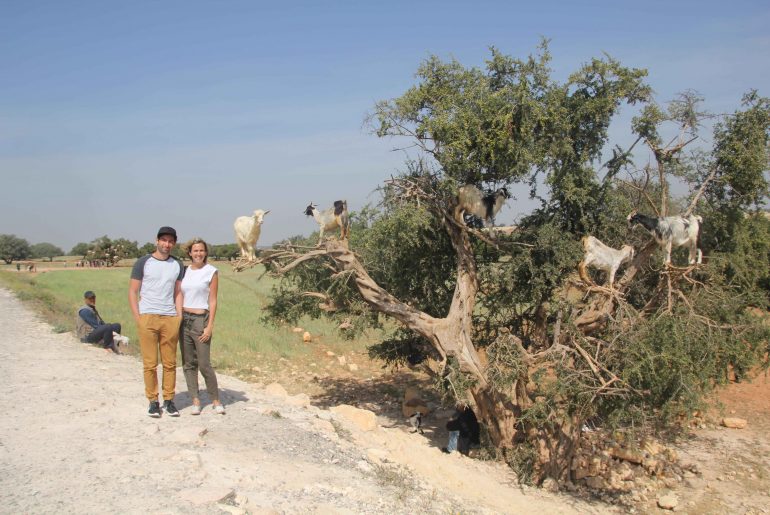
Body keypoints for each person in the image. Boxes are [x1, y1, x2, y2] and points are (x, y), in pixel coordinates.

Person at [129, 226, 184, 418]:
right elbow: (133, 291)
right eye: (164, 240)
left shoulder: (177, 264)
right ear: (157, 241)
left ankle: (169, 401)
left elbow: (178, 292)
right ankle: (153, 401)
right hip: (148, 317)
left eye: (170, 241)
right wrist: (139, 318)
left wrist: (179, 317)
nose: (167, 244)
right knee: (150, 364)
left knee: (170, 363)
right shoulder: (143, 262)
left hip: (169, 317)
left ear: (174, 243)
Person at [180, 237, 224, 415]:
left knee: (204, 364)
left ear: (205, 252)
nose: (198, 253)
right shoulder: (184, 271)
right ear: (189, 253)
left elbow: (213, 300)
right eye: (195, 250)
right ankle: (195, 400)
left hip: (200, 319)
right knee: (189, 363)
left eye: (201, 250)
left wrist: (209, 326)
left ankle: (216, 400)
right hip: (184, 320)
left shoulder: (211, 271)